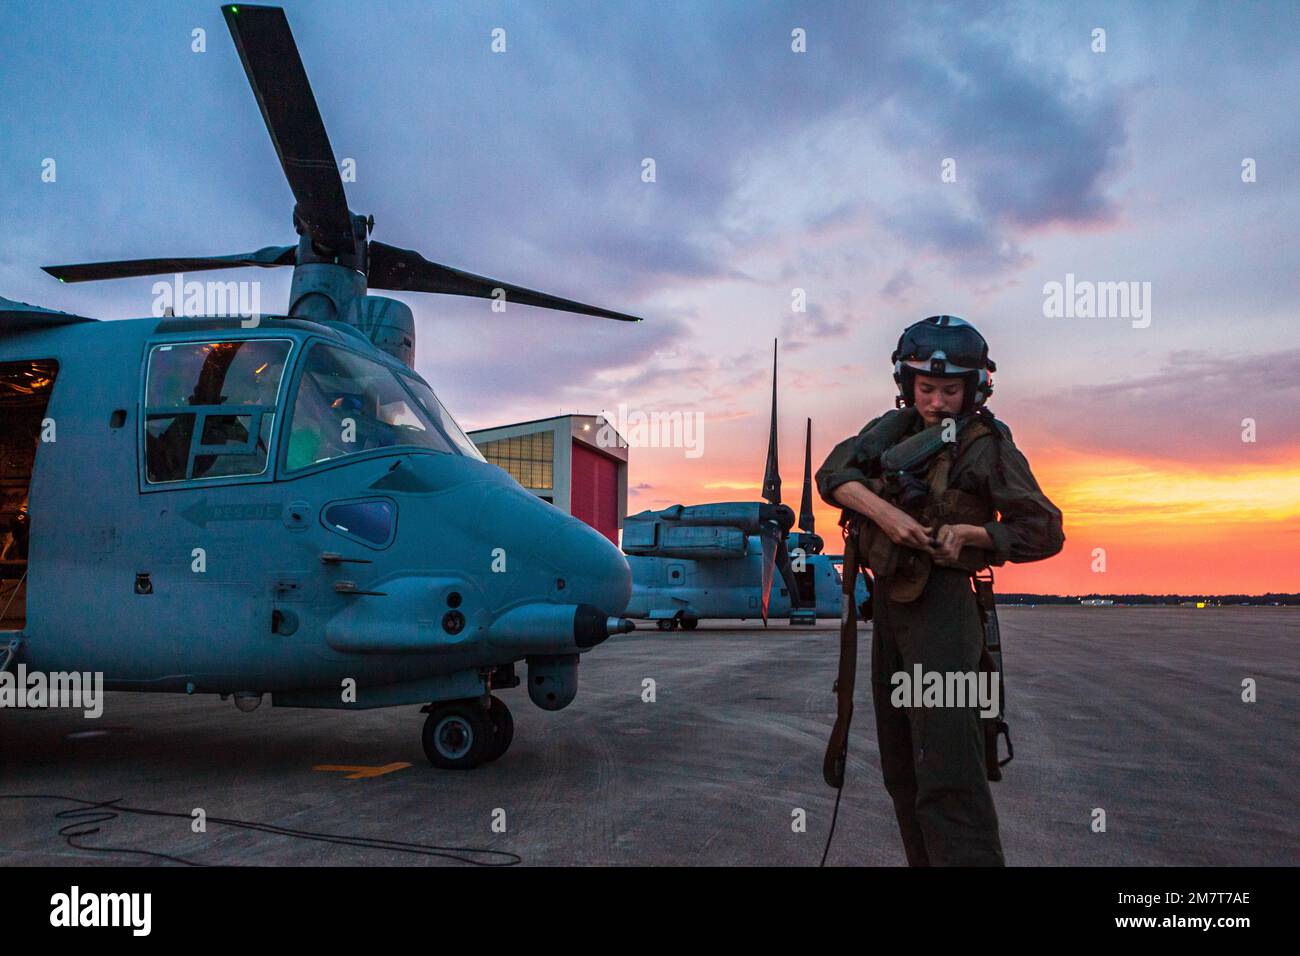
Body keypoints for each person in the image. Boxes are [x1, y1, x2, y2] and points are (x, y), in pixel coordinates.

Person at [815, 314, 1064, 866]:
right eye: (926, 388)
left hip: (945, 616)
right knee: (902, 769)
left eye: (951, 390)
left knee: (949, 773)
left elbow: (1045, 529)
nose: (937, 402)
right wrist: (885, 513)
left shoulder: (986, 445)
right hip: (892, 611)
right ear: (907, 385)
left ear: (974, 389)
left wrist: (977, 534)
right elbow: (833, 476)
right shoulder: (893, 432)